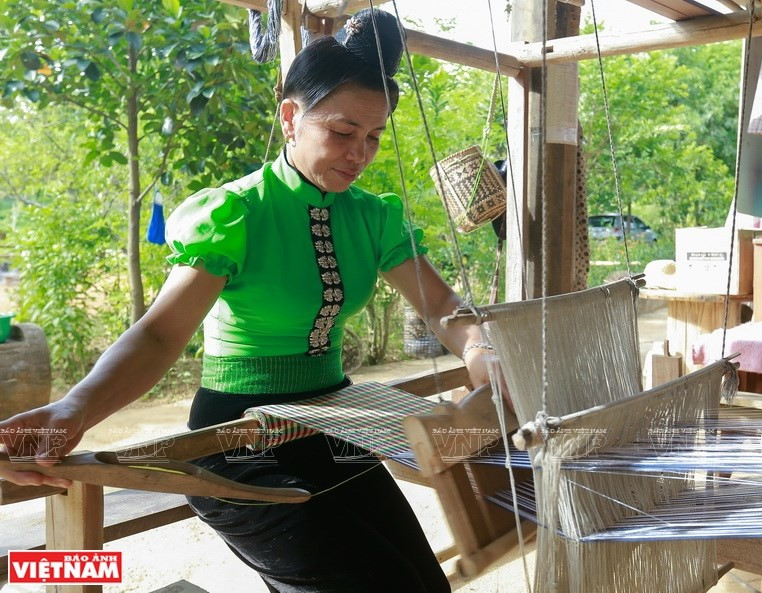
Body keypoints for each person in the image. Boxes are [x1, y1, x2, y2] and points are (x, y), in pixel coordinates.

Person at [0, 9, 504, 592]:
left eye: (373, 137)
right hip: (238, 439)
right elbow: (160, 334)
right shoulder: (237, 213)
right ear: (290, 117)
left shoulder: (374, 217)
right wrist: (77, 407)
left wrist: (481, 350)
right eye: (343, 133)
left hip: (334, 424)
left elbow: (442, 307)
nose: (359, 153)